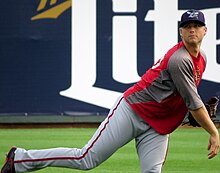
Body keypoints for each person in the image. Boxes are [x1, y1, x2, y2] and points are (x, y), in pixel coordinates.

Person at [1, 9, 219, 173]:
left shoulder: (201, 59)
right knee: (86, 159)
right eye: (188, 25)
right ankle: (19, 159)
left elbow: (179, 97)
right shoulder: (179, 59)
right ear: (181, 31)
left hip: (156, 127)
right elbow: (193, 103)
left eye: (197, 25)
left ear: (205, 30)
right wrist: (213, 130)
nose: (192, 29)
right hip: (133, 111)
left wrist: (186, 115)